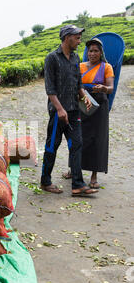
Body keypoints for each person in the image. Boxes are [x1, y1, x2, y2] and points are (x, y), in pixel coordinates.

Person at [40, 25, 99, 197]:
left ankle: (77, 185)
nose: (80, 42)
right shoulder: (52, 58)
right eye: (77, 38)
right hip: (58, 112)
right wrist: (59, 109)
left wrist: (84, 97)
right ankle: (45, 181)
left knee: (77, 144)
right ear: (67, 38)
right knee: (53, 145)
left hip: (74, 110)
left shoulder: (75, 58)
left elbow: (78, 82)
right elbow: (50, 89)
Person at [63, 38, 114, 188]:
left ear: (101, 52)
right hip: (81, 103)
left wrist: (104, 88)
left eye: (96, 51)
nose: (92, 53)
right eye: (90, 50)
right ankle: (73, 170)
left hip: (99, 106)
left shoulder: (106, 67)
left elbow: (110, 87)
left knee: (97, 139)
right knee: (77, 137)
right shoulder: (80, 66)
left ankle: (94, 176)